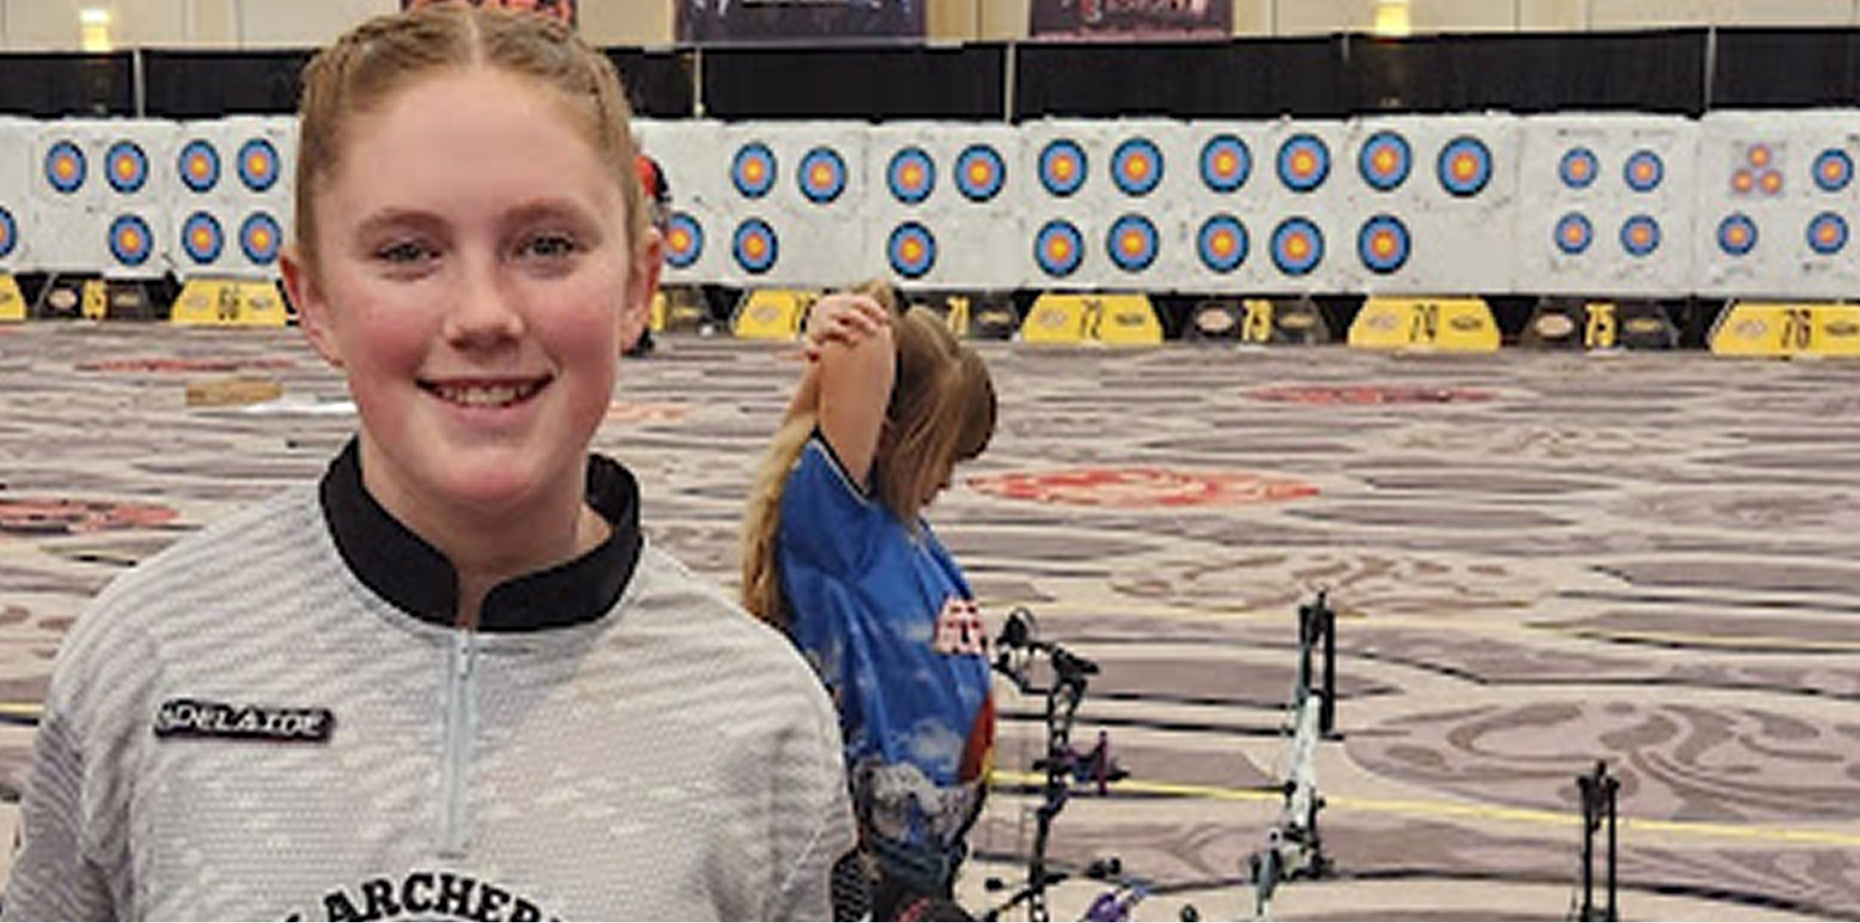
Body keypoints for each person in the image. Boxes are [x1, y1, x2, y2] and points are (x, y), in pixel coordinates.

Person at [1, 6, 853, 920]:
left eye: (547, 246)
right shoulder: (149, 659)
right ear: (314, 297)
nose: (483, 313)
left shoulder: (760, 717)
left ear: (639, 286)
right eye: (408, 252)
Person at [742, 283, 999, 920]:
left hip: (928, 858)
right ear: (884, 437)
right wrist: (843, 327)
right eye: (942, 458)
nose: (946, 480)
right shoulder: (838, 530)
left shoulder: (902, 529)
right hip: (873, 866)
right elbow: (864, 349)